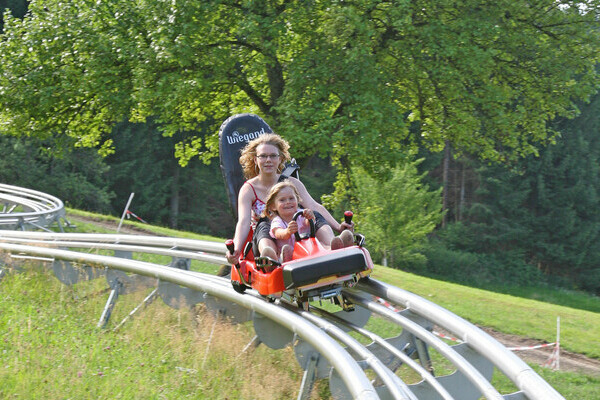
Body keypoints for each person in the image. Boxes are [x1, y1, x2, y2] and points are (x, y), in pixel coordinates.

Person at [225, 133, 353, 265]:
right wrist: (236, 249)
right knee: (264, 225)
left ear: (280, 159)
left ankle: (332, 246)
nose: (268, 160)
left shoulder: (292, 183)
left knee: (313, 214)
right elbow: (243, 222)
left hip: (297, 229)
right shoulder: (248, 189)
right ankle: (271, 258)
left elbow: (314, 206)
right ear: (255, 159)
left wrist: (339, 227)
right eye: (263, 156)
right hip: (269, 236)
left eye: (273, 156)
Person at [264, 181, 351, 262]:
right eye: (282, 200)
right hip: (293, 253)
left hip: (309, 249)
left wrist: (310, 218)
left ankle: (335, 248)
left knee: (320, 243)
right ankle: (288, 258)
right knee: (287, 250)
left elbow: (308, 223)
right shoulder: (277, 221)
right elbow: (278, 233)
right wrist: (287, 232)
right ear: (273, 206)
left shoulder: (300, 214)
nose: (288, 202)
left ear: (297, 200)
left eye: (291, 198)